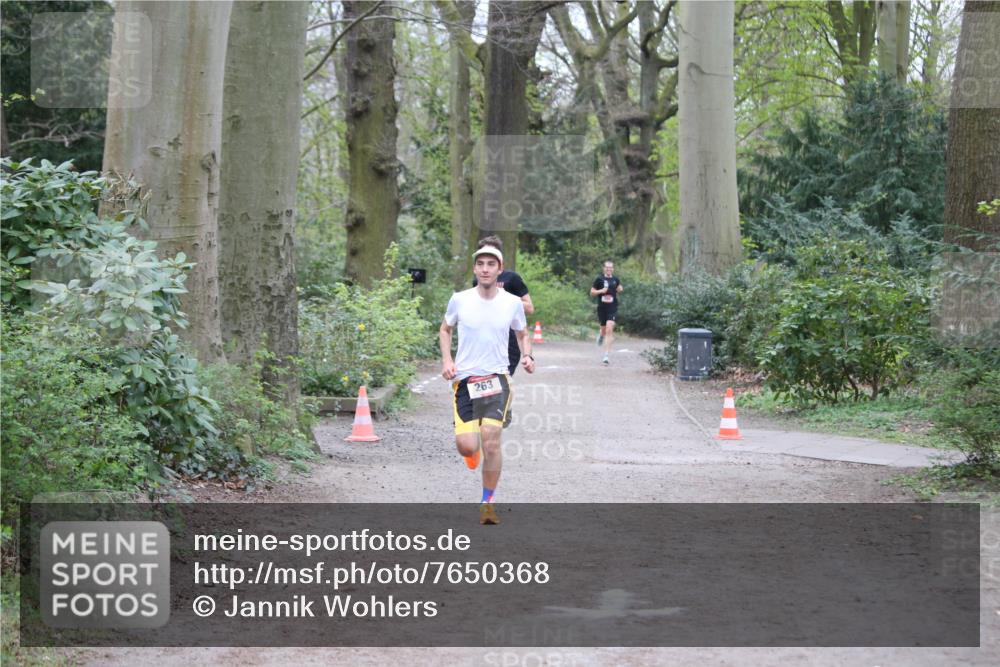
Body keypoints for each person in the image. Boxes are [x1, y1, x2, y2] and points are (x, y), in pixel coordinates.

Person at [440, 243, 535, 525]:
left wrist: (527, 355)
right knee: (468, 447)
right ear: (474, 269)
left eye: (490, 264)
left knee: (492, 440)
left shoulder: (512, 302)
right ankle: (472, 449)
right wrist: (447, 360)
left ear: (499, 269)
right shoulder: (459, 299)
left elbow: (522, 332)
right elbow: (445, 330)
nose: (485, 269)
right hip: (465, 380)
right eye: (480, 264)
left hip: (497, 378)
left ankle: (487, 503)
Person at [471, 235, 533, 426]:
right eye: (482, 260)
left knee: (500, 380)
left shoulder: (512, 279)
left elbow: (529, 307)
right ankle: (487, 413)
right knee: (481, 380)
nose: (486, 268)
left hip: (509, 342)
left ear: (500, 261)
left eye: (492, 259)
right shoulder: (478, 281)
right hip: (485, 340)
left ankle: (502, 407)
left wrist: (504, 300)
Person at [590, 260, 623, 365]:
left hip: (612, 307)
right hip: (602, 308)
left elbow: (619, 288)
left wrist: (620, 289)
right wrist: (601, 291)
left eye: (611, 267)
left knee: (610, 328)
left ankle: (606, 355)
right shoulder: (599, 279)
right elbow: (592, 292)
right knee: (604, 329)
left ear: (613, 269)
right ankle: (601, 335)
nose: (609, 269)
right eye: (607, 267)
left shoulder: (615, 279)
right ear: (604, 268)